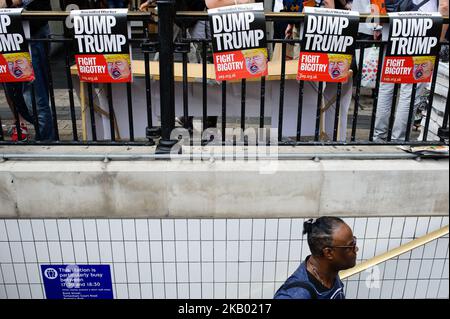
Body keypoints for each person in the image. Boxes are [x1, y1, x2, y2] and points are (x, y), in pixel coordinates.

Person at [373, 0, 439, 142]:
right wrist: (439, 39)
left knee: (386, 87)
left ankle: (378, 136)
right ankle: (399, 139)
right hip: (423, 30)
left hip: (392, 26)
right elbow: (445, 6)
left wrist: (377, 26)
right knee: (410, 91)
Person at [1, 0, 56, 141]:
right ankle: (45, 135)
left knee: (34, 96)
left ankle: (46, 140)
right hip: (9, 35)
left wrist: (14, 1)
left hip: (32, 34)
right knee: (14, 92)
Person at [274, 217, 358, 299]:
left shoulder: (329, 271)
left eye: (354, 242)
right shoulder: (296, 295)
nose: (356, 249)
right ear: (328, 253)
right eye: (350, 246)